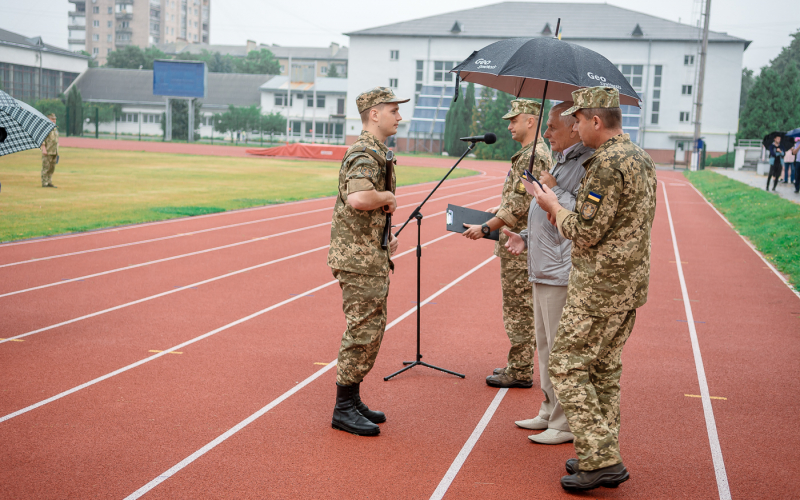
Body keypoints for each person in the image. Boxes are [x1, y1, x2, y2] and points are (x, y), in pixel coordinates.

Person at [529, 86, 656, 491]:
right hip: (628, 285)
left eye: (580, 119)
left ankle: (600, 459)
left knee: (565, 364)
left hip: (601, 287)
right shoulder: (640, 157)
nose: (577, 125)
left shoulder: (605, 165)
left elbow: (584, 232)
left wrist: (553, 206)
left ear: (596, 121)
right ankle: (598, 451)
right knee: (603, 370)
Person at [503, 101, 594, 446]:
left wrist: (551, 189)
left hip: (561, 270)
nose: (546, 133)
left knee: (560, 349)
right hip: (542, 266)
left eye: (553, 127)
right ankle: (548, 407)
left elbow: (581, 217)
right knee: (544, 346)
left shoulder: (586, 162)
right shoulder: (562, 160)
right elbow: (547, 215)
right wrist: (524, 238)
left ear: (575, 127)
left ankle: (564, 422)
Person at [328, 86, 405, 436]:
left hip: (368, 255)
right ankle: (343, 407)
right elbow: (359, 197)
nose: (399, 116)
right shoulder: (364, 152)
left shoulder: (377, 152)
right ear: (374, 114)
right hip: (358, 261)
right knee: (363, 331)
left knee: (370, 330)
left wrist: (384, 235)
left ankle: (353, 397)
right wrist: (387, 196)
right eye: (393, 110)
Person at [462, 99, 553, 389]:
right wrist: (497, 211)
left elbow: (518, 205)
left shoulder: (534, 155)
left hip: (521, 244)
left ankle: (521, 369)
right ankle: (520, 363)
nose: (510, 125)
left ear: (531, 121)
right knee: (519, 307)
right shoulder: (530, 153)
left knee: (519, 308)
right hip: (521, 240)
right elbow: (520, 201)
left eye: (514, 120)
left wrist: (486, 227)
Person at [40, 113, 59, 188]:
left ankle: (49, 182)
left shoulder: (55, 128)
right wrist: (44, 149)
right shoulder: (45, 128)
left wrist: (57, 151)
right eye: (52, 119)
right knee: (46, 167)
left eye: (55, 119)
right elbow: (42, 140)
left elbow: (56, 141)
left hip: (54, 151)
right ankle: (44, 182)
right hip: (47, 151)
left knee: (52, 168)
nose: (54, 120)